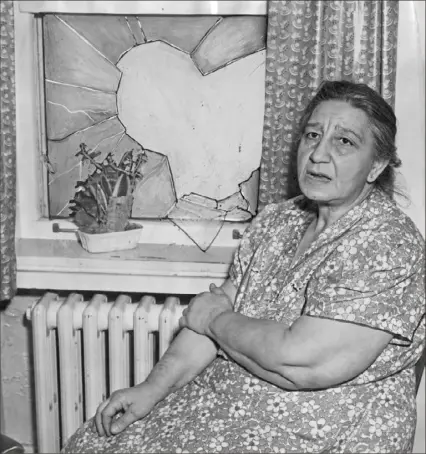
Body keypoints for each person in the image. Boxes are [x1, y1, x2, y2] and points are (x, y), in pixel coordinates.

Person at [63, 80, 425, 453]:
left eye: (344, 141)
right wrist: (152, 389)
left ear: (376, 165)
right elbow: (211, 315)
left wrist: (214, 322)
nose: (318, 154)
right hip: (228, 405)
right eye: (312, 135)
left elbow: (299, 362)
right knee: (92, 442)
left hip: (319, 432)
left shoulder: (388, 244)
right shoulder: (278, 220)